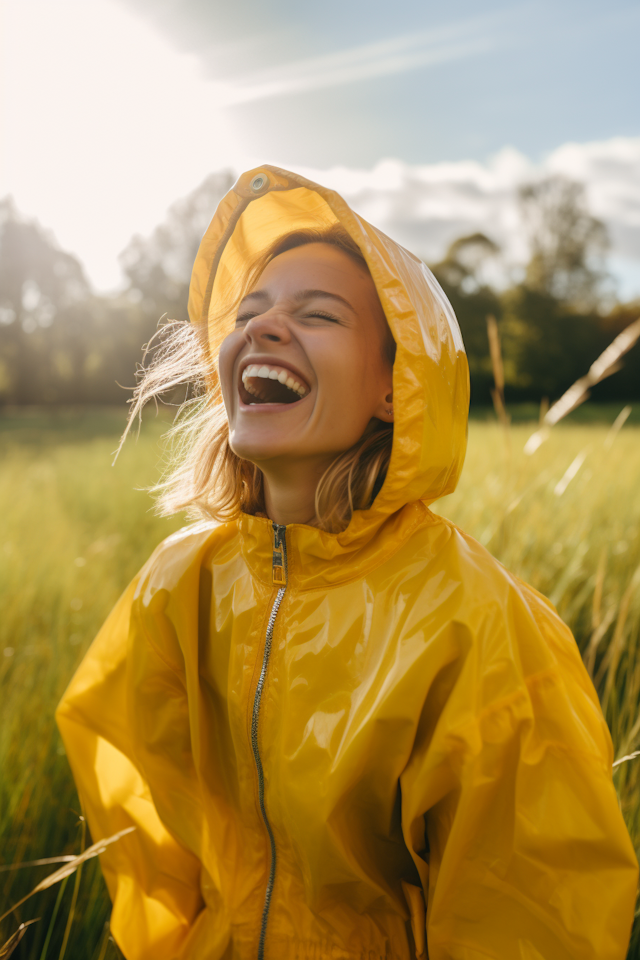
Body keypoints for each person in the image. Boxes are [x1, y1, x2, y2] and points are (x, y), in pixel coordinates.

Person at [56, 166, 637, 960]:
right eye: (249, 314)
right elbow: (146, 820)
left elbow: (530, 913)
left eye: (317, 314)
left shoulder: (481, 624)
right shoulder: (178, 582)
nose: (261, 329)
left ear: (394, 385)